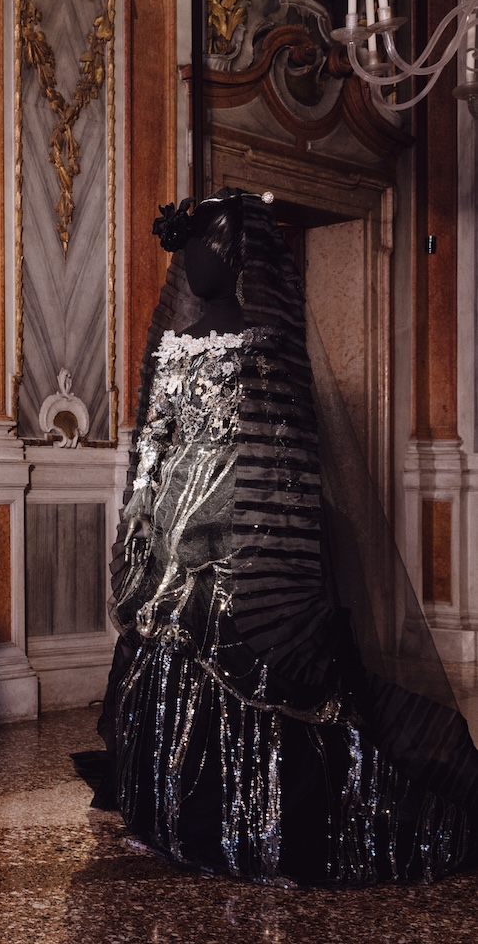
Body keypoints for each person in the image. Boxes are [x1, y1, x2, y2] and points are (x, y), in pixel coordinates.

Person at [95, 188, 478, 885]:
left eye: (207, 244)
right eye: (189, 245)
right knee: (159, 657)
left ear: (238, 254)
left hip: (236, 542)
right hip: (169, 542)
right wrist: (140, 527)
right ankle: (167, 814)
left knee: (250, 666)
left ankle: (249, 823)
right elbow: (153, 443)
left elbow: (285, 460)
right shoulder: (172, 346)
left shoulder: (267, 346)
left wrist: (256, 547)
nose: (194, 259)